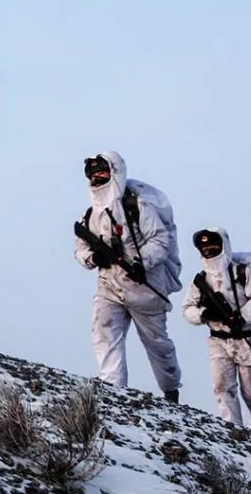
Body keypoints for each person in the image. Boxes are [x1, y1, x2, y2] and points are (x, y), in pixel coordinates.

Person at [73, 152, 182, 402]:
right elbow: (79, 247)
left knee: (158, 345)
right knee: (103, 329)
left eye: (102, 172)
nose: (96, 179)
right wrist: (92, 258)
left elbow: (160, 239)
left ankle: (170, 389)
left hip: (145, 288)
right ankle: (112, 389)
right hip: (109, 286)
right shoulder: (90, 215)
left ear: (115, 173)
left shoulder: (138, 207)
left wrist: (141, 263)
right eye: (92, 174)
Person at [182, 228, 251, 432]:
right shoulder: (200, 280)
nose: (208, 250)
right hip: (218, 341)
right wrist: (204, 314)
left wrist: (242, 316)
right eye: (204, 246)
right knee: (222, 387)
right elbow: (187, 308)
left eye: (213, 245)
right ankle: (233, 431)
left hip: (248, 339)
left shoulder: (242, 272)